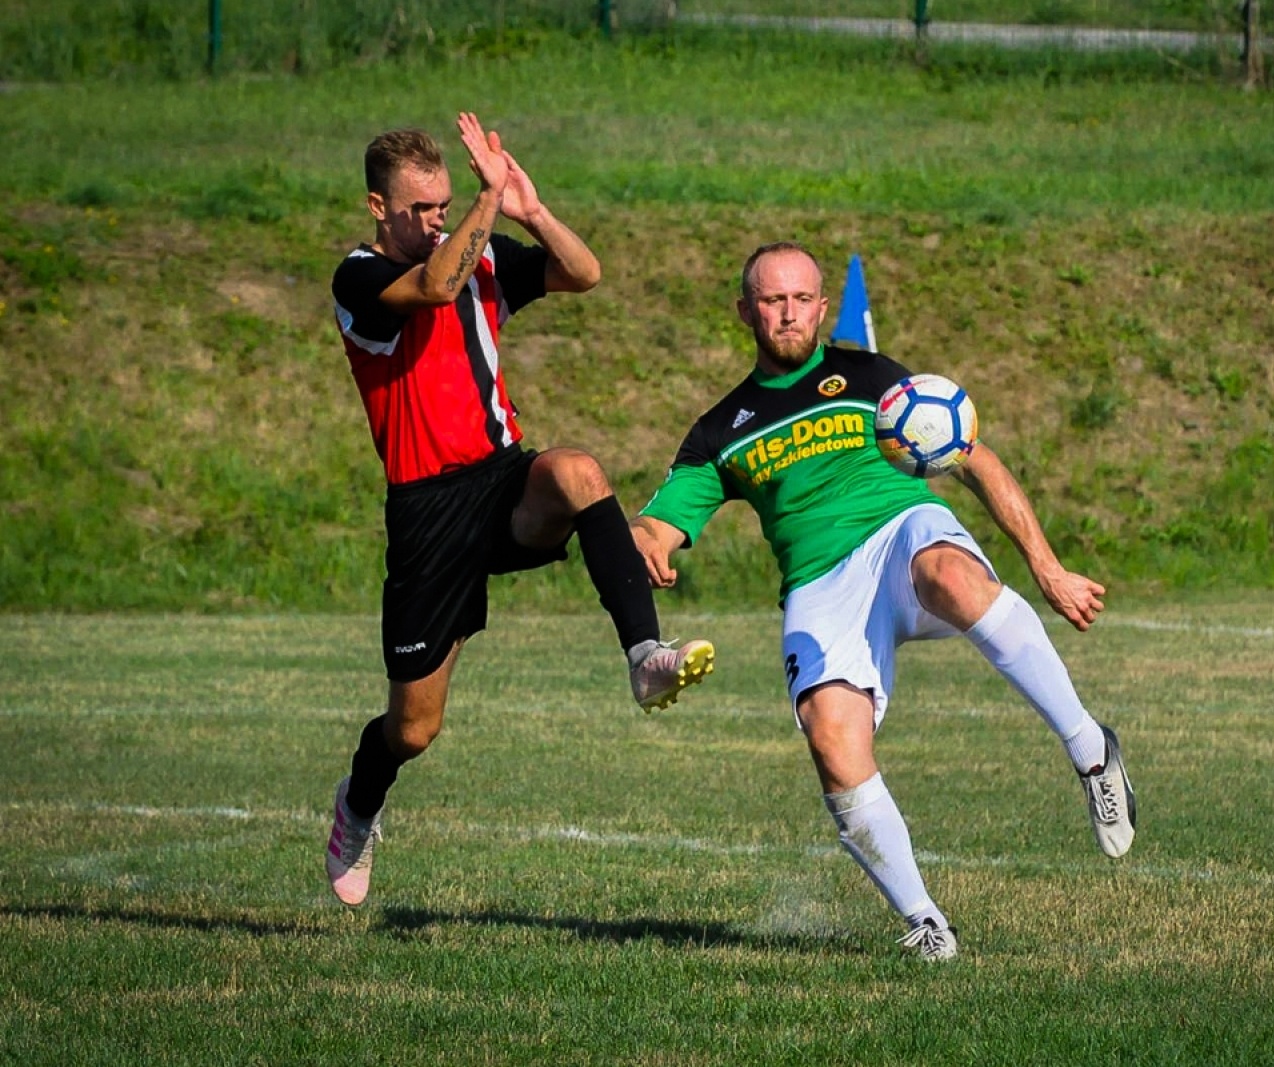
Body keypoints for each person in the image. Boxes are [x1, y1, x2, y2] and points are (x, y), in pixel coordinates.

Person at [630, 242, 1135, 960]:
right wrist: (643, 539)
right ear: (744, 310)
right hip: (819, 584)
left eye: (802, 298)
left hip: (901, 532)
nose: (788, 313)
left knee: (953, 578)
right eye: (772, 300)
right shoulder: (722, 429)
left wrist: (1046, 568)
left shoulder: (871, 377)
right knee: (832, 742)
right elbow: (661, 519)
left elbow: (972, 455)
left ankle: (1091, 752)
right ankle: (926, 921)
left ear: (823, 307)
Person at [323, 113, 714, 908]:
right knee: (414, 730)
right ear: (376, 206)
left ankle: (645, 657)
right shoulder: (359, 279)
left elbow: (584, 272)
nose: (437, 219)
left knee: (576, 471)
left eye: (444, 204)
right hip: (428, 513)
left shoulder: (485, 252)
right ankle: (359, 804)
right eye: (420, 208)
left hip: (501, 480)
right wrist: (487, 201)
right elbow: (435, 286)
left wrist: (529, 210)